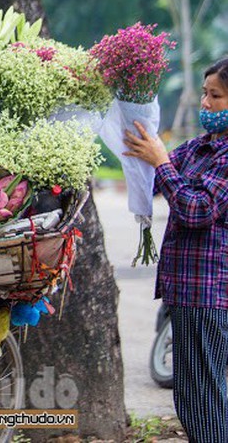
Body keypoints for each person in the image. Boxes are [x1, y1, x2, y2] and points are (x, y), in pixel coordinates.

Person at [123, 58, 228, 443]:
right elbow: (153, 181)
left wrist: (161, 161)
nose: (205, 102)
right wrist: (132, 134)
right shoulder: (200, 148)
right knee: (189, 396)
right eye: (204, 93)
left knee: (207, 397)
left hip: (210, 292)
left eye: (215, 96)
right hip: (185, 291)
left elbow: (197, 210)